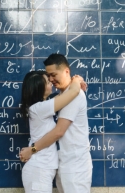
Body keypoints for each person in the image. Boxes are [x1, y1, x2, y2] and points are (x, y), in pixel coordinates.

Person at [20, 54, 92, 193]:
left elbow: (59, 131)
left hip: (75, 166)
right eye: (48, 78)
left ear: (66, 71)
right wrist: (76, 82)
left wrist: (32, 149)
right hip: (61, 165)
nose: (51, 80)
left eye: (53, 75)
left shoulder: (72, 96)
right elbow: (70, 92)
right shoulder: (54, 101)